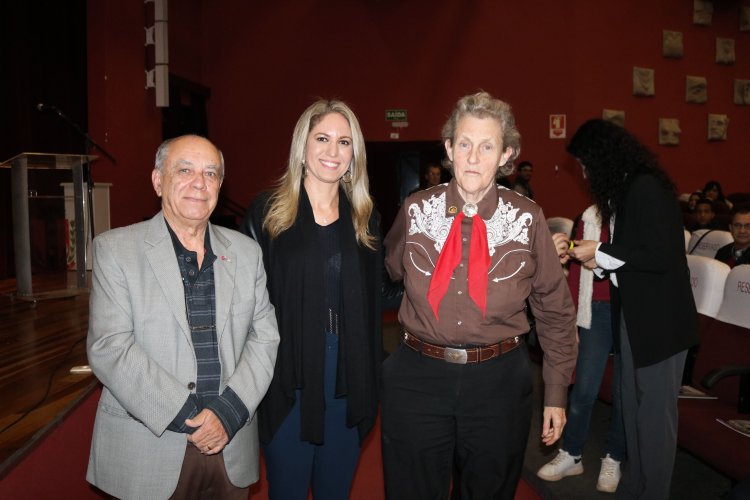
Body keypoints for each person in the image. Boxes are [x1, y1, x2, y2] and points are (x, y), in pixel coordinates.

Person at [382, 91, 578, 499]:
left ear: (506, 154)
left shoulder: (528, 219)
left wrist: (556, 393)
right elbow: (389, 269)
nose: (473, 157)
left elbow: (555, 312)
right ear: (449, 148)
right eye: (464, 144)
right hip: (418, 378)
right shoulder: (415, 211)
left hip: (499, 384)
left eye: (486, 146)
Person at [86, 135, 280, 499]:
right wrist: (191, 417)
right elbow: (109, 347)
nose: (199, 183)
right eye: (185, 170)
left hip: (230, 445)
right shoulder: (115, 250)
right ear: (158, 180)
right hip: (148, 448)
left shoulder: (246, 252)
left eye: (211, 173)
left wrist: (227, 413)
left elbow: (265, 338)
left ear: (220, 185)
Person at [242, 99, 382, 500]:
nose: (332, 152)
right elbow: (245, 303)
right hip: (288, 380)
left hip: (348, 380)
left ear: (354, 153)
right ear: (302, 146)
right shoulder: (267, 213)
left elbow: (380, 293)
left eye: (344, 142)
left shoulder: (365, 216)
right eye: (322, 139)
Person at [566, 119, 698, 499]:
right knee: (632, 413)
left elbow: (660, 256)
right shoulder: (627, 190)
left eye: (586, 164)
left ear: (603, 156)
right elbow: (635, 258)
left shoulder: (646, 187)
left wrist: (601, 253)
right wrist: (600, 261)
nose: (585, 174)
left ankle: (652, 492)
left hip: (661, 323)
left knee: (653, 421)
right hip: (636, 318)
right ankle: (635, 488)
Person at [537, 205, 626, 494]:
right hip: (595, 310)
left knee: (624, 392)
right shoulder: (589, 216)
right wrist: (572, 319)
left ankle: (614, 456)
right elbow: (575, 273)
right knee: (584, 390)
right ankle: (572, 453)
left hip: (632, 310)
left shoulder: (638, 209)